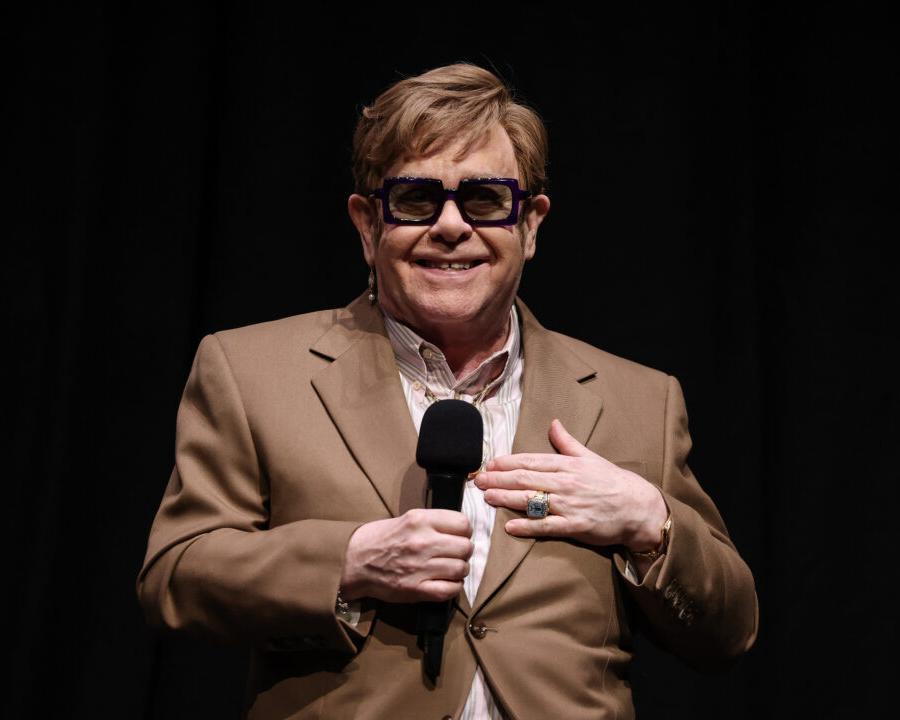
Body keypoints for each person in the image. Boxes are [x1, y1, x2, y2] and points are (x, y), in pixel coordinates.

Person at [138, 63, 758, 720]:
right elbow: (174, 579)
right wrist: (348, 561)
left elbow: (728, 631)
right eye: (415, 200)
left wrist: (648, 523)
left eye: (486, 199)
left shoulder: (640, 401)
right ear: (368, 225)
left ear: (531, 223)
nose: (451, 226)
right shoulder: (250, 370)